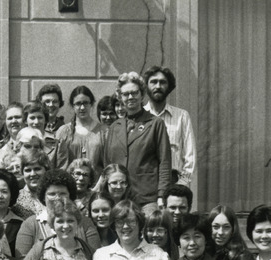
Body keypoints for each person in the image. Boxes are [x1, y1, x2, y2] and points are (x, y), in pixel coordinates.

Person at [103, 71, 172, 215]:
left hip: (147, 198)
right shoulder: (115, 127)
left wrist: (161, 196)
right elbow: (107, 165)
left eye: (134, 93)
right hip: (120, 198)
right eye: (125, 94)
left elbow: (164, 162)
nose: (130, 97)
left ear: (142, 95)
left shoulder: (155, 124)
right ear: (120, 98)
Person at [15, 168, 100, 258]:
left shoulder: (85, 223)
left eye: (62, 193)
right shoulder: (30, 225)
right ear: (43, 197)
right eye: (52, 194)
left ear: (70, 196)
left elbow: (96, 259)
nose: (57, 198)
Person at [143, 66, 196, 187]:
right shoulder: (140, 116)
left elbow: (190, 154)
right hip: (145, 183)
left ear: (169, 87)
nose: (158, 86)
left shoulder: (182, 116)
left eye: (162, 82)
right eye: (153, 82)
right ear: (146, 86)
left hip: (173, 181)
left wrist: (182, 183)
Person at [54, 86, 106, 175]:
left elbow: (107, 165)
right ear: (72, 106)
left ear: (92, 104)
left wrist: (98, 187)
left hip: (96, 186)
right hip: (70, 185)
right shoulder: (64, 132)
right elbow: (58, 163)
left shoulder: (103, 132)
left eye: (85, 103)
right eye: (78, 104)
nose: (82, 107)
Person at [12, 148, 50, 218]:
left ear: (46, 170)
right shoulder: (15, 200)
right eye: (28, 170)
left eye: (37, 169)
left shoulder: (55, 196)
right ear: (22, 173)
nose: (32, 174)